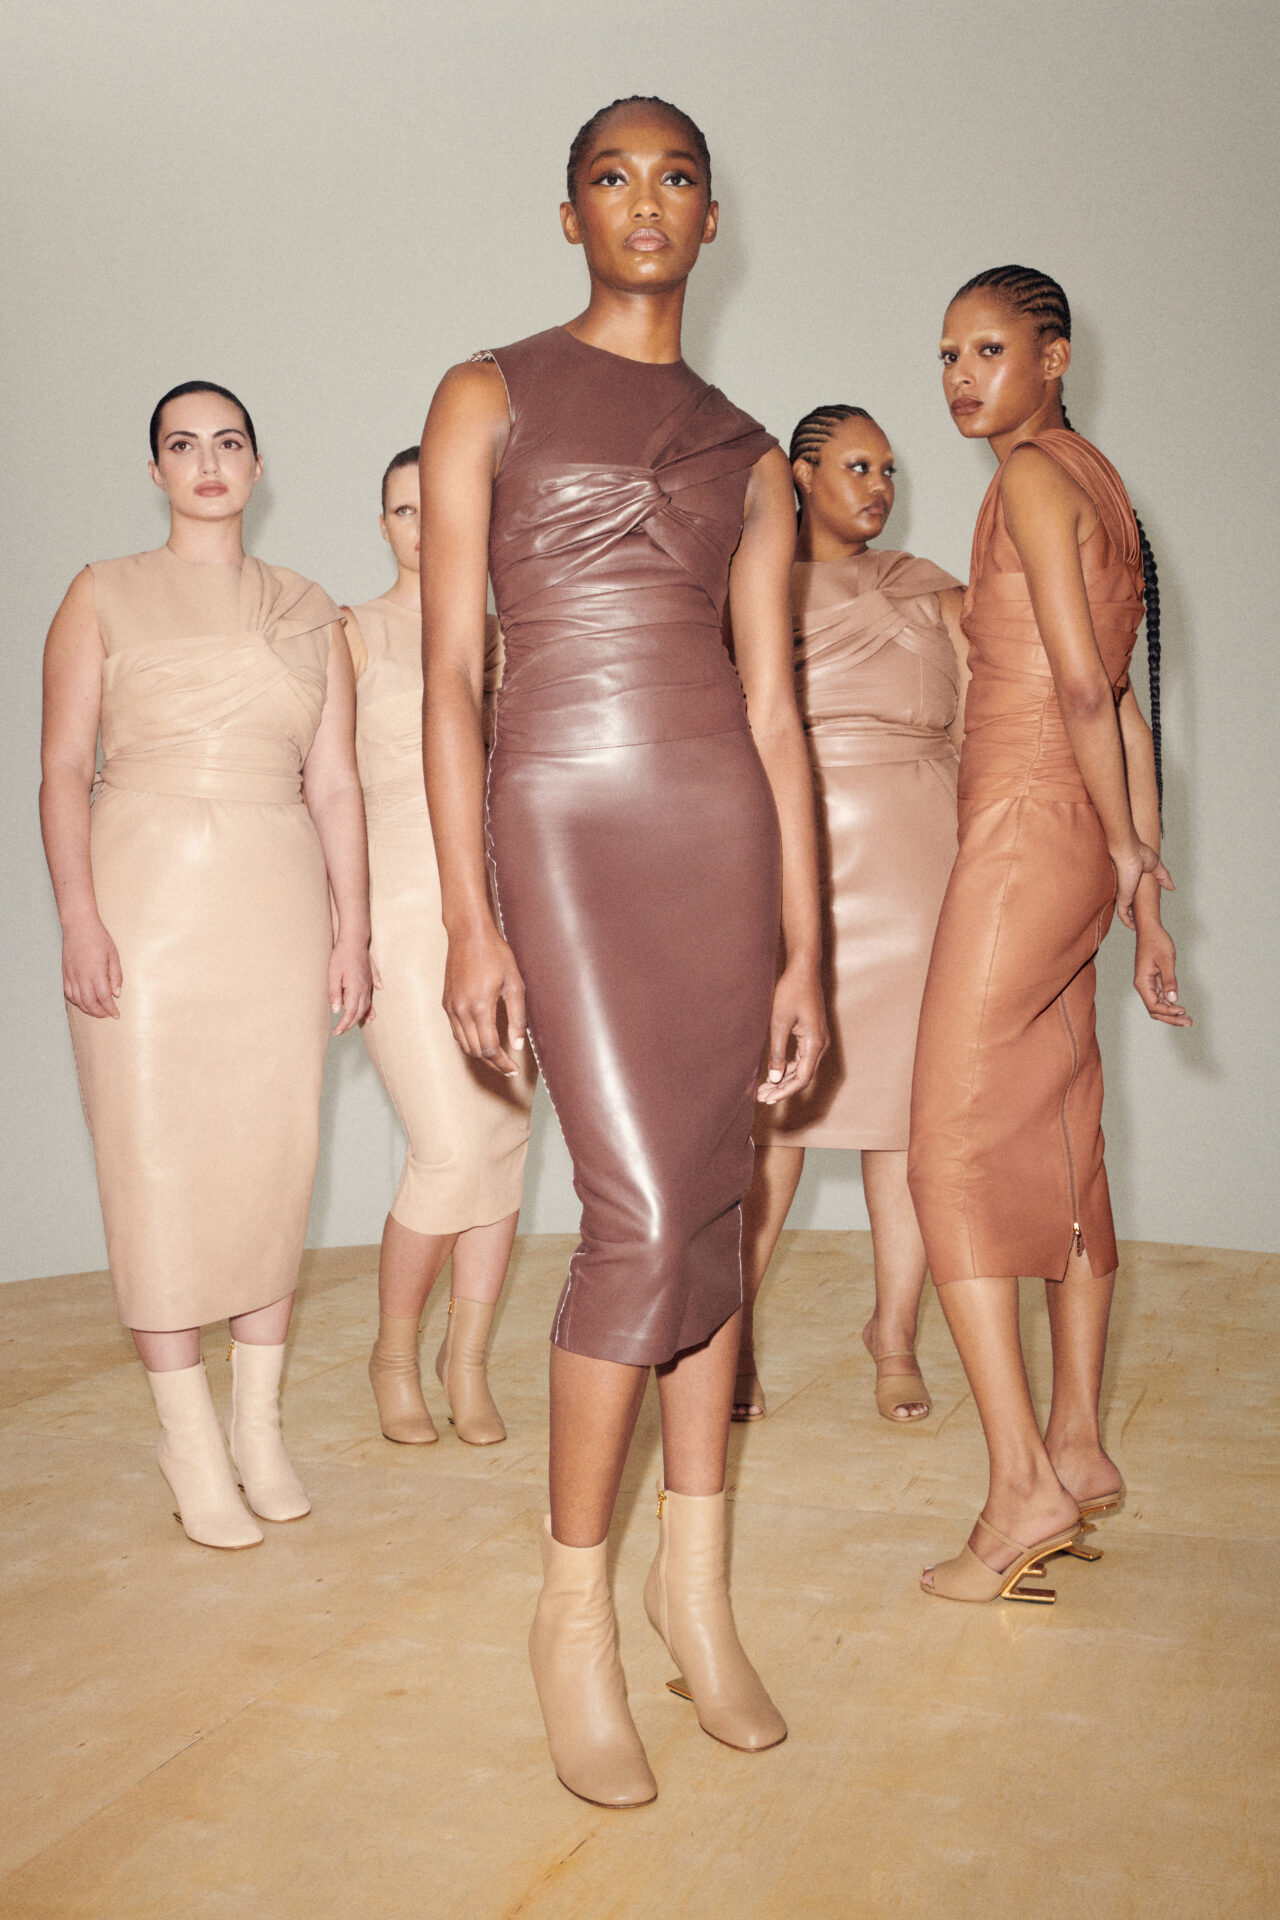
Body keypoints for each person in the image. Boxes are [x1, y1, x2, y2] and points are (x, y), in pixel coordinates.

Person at [418, 97, 826, 1805]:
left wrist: (805, 955)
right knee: (639, 1219)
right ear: (568, 212)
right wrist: (466, 911)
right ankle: (571, 1618)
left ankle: (695, 1599)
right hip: (564, 824)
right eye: (612, 176)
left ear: (712, 219)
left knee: (713, 1210)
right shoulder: (487, 393)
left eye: (675, 178)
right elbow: (453, 673)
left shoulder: (754, 452)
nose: (644, 201)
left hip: (718, 825)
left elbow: (776, 715)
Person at [40, 381, 373, 1551]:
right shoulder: (100, 592)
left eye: (228, 442)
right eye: (182, 446)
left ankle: (257, 1429)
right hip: (140, 896)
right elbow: (61, 767)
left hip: (274, 899)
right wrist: (79, 918)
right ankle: (186, 1439)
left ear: (257, 464)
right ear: (156, 472)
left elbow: (335, 784)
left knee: (273, 1156)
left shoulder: (311, 610)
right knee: (154, 1164)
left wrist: (353, 931)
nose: (208, 462)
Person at [909, 267, 1191, 1603]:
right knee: (1065, 1123)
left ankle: (1019, 1489)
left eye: (988, 350)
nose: (962, 377)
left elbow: (1083, 687)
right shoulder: (1102, 483)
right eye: (947, 355)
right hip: (1075, 836)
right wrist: (1135, 873)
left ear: (1054, 356)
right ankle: (1076, 1445)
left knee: (947, 1145)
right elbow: (1126, 702)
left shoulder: (1029, 477)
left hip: (1027, 826)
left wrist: (1127, 856)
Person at [742, 405, 968, 1426]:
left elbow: (980, 729)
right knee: (774, 1117)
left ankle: (894, 1335)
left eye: (888, 470)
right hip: (792, 874)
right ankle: (730, 1332)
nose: (879, 487)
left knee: (907, 1118)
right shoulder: (748, 586)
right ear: (801, 475)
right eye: (857, 466)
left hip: (921, 876)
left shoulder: (928, 588)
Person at [343, 449, 534, 1447]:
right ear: (383, 524)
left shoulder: (508, 641)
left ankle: (466, 1362)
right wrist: (341, 929)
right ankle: (391, 1352)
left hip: (505, 914)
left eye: (441, 508)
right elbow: (320, 790)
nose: (423, 526)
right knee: (449, 1148)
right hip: (399, 912)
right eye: (403, 510)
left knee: (502, 1141)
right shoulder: (351, 633)